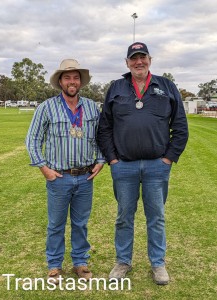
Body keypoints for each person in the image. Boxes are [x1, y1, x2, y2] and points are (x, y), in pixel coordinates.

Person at [97, 42, 188, 285]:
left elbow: (180, 126)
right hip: (123, 166)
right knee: (124, 216)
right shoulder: (116, 87)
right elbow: (104, 127)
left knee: (156, 217)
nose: (139, 62)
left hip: (156, 167)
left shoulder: (166, 86)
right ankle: (123, 261)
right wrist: (113, 160)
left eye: (143, 57)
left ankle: (158, 264)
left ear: (150, 59)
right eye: (133, 58)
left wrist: (168, 159)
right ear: (127, 63)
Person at [26, 59, 105, 283]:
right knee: (56, 224)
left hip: (85, 176)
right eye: (67, 77)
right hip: (58, 177)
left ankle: (80, 262)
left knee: (81, 223)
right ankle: (54, 265)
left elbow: (102, 137)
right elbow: (32, 140)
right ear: (60, 81)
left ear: (81, 81)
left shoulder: (91, 107)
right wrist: (44, 168)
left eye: (76, 77)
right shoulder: (46, 107)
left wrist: (100, 160)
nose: (72, 81)